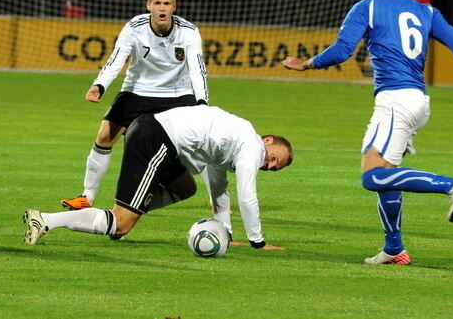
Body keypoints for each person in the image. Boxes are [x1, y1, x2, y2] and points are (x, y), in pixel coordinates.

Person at [282, 0, 453, 265]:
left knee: (371, 177)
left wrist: (306, 65)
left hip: (394, 102)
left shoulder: (366, 7)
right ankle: (394, 248)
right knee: (388, 174)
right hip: (418, 101)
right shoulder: (426, 11)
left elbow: (341, 51)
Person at [25, 105, 291, 249]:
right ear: (267, 140)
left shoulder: (238, 136)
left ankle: (127, 210)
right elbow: (247, 197)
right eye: (273, 158)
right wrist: (258, 242)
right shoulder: (251, 148)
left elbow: (218, 185)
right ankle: (46, 220)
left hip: (156, 133)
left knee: (185, 186)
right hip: (156, 140)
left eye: (273, 168)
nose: (267, 165)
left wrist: (225, 232)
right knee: (122, 224)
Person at [60, 0, 208, 211]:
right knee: (105, 136)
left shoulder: (188, 32)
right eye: (157, 3)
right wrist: (99, 86)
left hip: (177, 93)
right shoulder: (134, 27)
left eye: (167, 3)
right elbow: (116, 58)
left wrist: (201, 102)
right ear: (148, 4)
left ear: (174, 7)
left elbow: (197, 68)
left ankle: (217, 202)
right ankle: (86, 197)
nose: (162, 8)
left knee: (202, 142)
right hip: (138, 89)